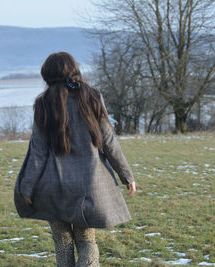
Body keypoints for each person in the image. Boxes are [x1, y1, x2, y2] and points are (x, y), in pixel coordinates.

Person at [14, 51, 136, 267]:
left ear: (48, 75)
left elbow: (37, 152)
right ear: (74, 70)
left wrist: (26, 187)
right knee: (86, 240)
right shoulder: (93, 97)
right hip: (87, 187)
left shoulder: (42, 104)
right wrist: (127, 175)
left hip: (53, 188)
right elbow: (109, 142)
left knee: (62, 242)